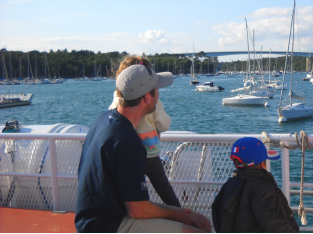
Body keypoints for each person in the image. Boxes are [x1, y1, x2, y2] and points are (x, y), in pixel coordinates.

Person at [75, 64, 211, 233]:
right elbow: (137, 209)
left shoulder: (103, 119)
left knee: (202, 221)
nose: (159, 94)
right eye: (157, 89)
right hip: (106, 225)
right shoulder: (127, 140)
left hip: (96, 216)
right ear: (147, 97)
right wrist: (176, 213)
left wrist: (176, 212)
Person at [109, 56, 180, 208]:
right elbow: (164, 124)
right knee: (163, 186)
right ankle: (178, 212)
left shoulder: (118, 100)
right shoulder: (153, 103)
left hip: (129, 154)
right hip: (151, 153)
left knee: (133, 187)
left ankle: (138, 211)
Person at [211, 137, 300, 233]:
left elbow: (216, 209)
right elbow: (268, 219)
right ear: (262, 164)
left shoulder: (229, 184)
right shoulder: (263, 186)